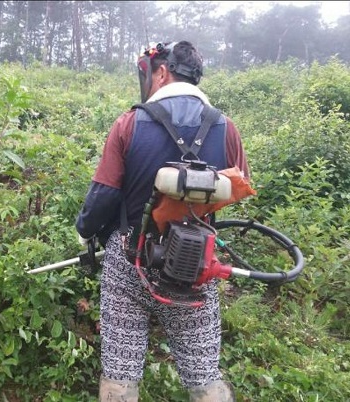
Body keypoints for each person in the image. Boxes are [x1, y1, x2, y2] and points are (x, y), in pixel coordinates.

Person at [75, 41, 250, 401]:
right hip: (194, 266)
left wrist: (85, 232)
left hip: (129, 260)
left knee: (120, 373)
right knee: (204, 374)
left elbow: (104, 195)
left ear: (162, 72)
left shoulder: (130, 123)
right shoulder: (225, 127)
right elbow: (238, 184)